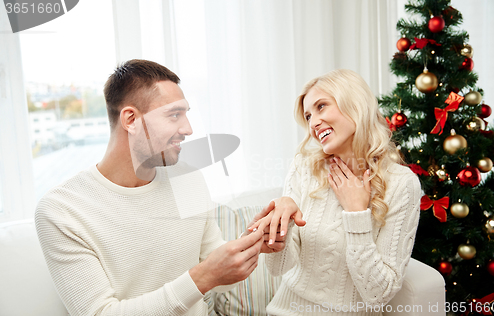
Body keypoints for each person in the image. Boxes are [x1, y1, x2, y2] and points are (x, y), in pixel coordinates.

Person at [34, 59, 297, 316]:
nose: (188, 129)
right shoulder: (62, 210)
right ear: (130, 120)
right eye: (174, 115)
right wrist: (201, 278)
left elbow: (221, 278)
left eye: (186, 114)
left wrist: (250, 244)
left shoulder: (187, 178)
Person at [248, 69, 421, 315]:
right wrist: (280, 229)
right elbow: (279, 268)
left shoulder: (402, 184)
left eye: (321, 107)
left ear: (355, 104)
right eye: (308, 116)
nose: (313, 123)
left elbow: (378, 295)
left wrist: (356, 213)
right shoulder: (304, 167)